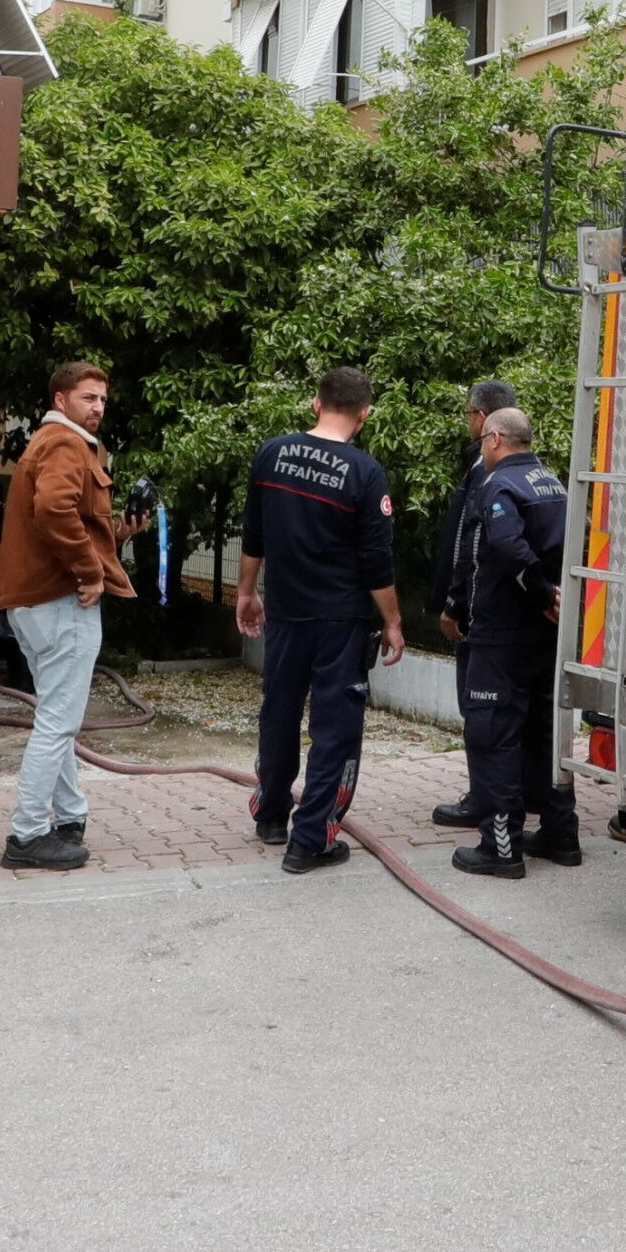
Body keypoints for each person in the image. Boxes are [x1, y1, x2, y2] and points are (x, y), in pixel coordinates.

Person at [235, 365, 404, 875]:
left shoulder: (272, 452)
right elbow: (377, 562)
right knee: (335, 728)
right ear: (365, 414)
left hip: (286, 613)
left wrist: (246, 592)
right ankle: (312, 840)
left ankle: (269, 816)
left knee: (279, 711)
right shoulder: (364, 472)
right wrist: (392, 621)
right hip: (341, 621)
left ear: (316, 403)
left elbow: (253, 533)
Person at [0, 362, 137, 873]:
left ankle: (69, 818)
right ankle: (27, 835)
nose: (97, 407)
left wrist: (116, 537)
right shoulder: (66, 444)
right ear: (60, 399)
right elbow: (54, 510)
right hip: (60, 602)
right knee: (58, 722)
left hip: (35, 600)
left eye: (102, 400)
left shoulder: (50, 442)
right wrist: (90, 572)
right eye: (88, 398)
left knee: (57, 714)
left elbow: (64, 519)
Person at [440, 407, 575, 878]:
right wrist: (555, 598)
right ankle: (561, 832)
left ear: (495, 438)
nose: (480, 447)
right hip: (547, 636)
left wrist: (539, 594)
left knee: (492, 734)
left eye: (482, 441)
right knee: (543, 732)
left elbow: (504, 547)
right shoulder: (553, 482)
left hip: (503, 635)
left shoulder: (499, 485)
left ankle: (501, 848)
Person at [428, 378, 518, 829]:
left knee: (480, 709)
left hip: (483, 616)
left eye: (469, 414)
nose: (468, 422)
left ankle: (483, 800)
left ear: (484, 420)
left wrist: (454, 602)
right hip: (514, 616)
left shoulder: (487, 471)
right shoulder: (524, 471)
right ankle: (505, 796)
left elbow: (473, 543)